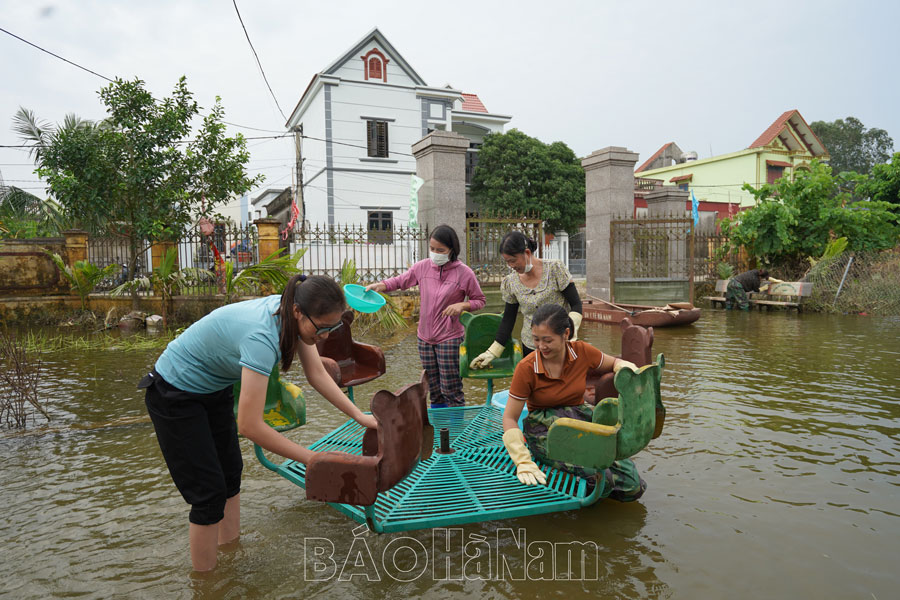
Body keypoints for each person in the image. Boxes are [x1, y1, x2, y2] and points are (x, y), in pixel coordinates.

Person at [140, 274, 377, 571]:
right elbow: (249, 426)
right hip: (174, 392)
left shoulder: (294, 317)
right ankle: (207, 585)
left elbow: (316, 375)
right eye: (323, 328)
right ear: (298, 312)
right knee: (208, 494)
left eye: (334, 327)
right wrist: (313, 459)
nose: (326, 336)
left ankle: (230, 553)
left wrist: (359, 416)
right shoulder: (262, 337)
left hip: (213, 389)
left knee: (231, 475)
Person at [501, 304, 646, 501]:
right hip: (545, 429)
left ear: (566, 334)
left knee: (632, 484)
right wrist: (522, 459)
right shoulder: (526, 368)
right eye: (536, 340)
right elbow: (510, 417)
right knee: (597, 477)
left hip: (579, 417)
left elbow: (612, 363)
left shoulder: (581, 352)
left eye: (547, 340)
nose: (541, 346)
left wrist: (625, 367)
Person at [366, 224, 486, 408]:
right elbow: (400, 281)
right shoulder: (422, 267)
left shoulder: (464, 273)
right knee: (433, 390)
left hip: (449, 338)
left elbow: (480, 300)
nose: (435, 253)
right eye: (432, 249)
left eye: (441, 250)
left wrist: (462, 305)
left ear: (452, 250)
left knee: (451, 389)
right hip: (424, 338)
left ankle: (455, 431)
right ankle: (439, 430)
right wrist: (380, 286)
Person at [469, 231, 582, 368]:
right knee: (535, 385)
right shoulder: (510, 283)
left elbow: (576, 304)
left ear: (527, 253)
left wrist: (569, 333)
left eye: (513, 260)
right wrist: (492, 352)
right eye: (507, 262)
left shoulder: (554, 269)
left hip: (560, 344)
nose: (511, 265)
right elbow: (508, 319)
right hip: (531, 346)